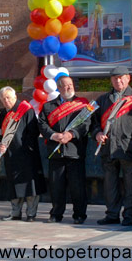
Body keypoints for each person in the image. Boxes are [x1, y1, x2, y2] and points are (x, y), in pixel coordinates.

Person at [91, 66, 132, 226]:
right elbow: (94, 123)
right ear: (111, 80)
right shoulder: (103, 99)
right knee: (110, 185)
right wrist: (97, 133)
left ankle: (129, 215)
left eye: (121, 77)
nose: (118, 81)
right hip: (108, 148)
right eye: (115, 78)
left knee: (131, 185)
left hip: (128, 147)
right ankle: (112, 214)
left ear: (128, 78)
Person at [38, 76, 90, 224]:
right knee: (56, 185)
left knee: (77, 186)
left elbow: (86, 124)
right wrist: (54, 135)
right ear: (59, 88)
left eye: (70, 85)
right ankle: (56, 214)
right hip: (56, 151)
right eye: (65, 86)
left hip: (75, 151)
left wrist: (71, 134)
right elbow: (42, 124)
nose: (68, 88)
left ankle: (79, 215)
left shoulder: (82, 104)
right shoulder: (48, 106)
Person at [0, 86, 46, 222]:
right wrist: (0, 144)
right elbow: (0, 134)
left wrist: (25, 148)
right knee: (14, 184)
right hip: (10, 154)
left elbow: (33, 131)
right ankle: (15, 212)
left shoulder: (26, 110)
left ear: (15, 97)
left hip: (27, 153)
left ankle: (31, 213)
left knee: (30, 184)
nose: (6, 100)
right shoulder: (3, 114)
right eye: (3, 98)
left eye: (8, 97)